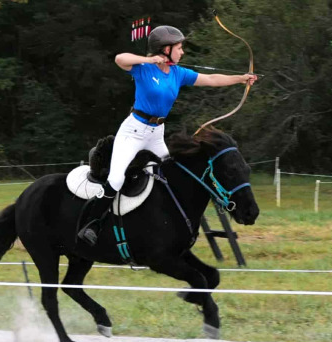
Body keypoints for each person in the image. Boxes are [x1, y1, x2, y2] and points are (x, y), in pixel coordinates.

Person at [77, 25, 258, 246]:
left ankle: (164, 225)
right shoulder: (143, 68)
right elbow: (119, 59)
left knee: (174, 174)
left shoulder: (178, 73)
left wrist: (240, 79)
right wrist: (150, 60)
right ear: (165, 49)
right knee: (115, 179)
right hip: (133, 132)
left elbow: (211, 79)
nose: (182, 52)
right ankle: (91, 225)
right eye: (179, 48)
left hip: (156, 133)